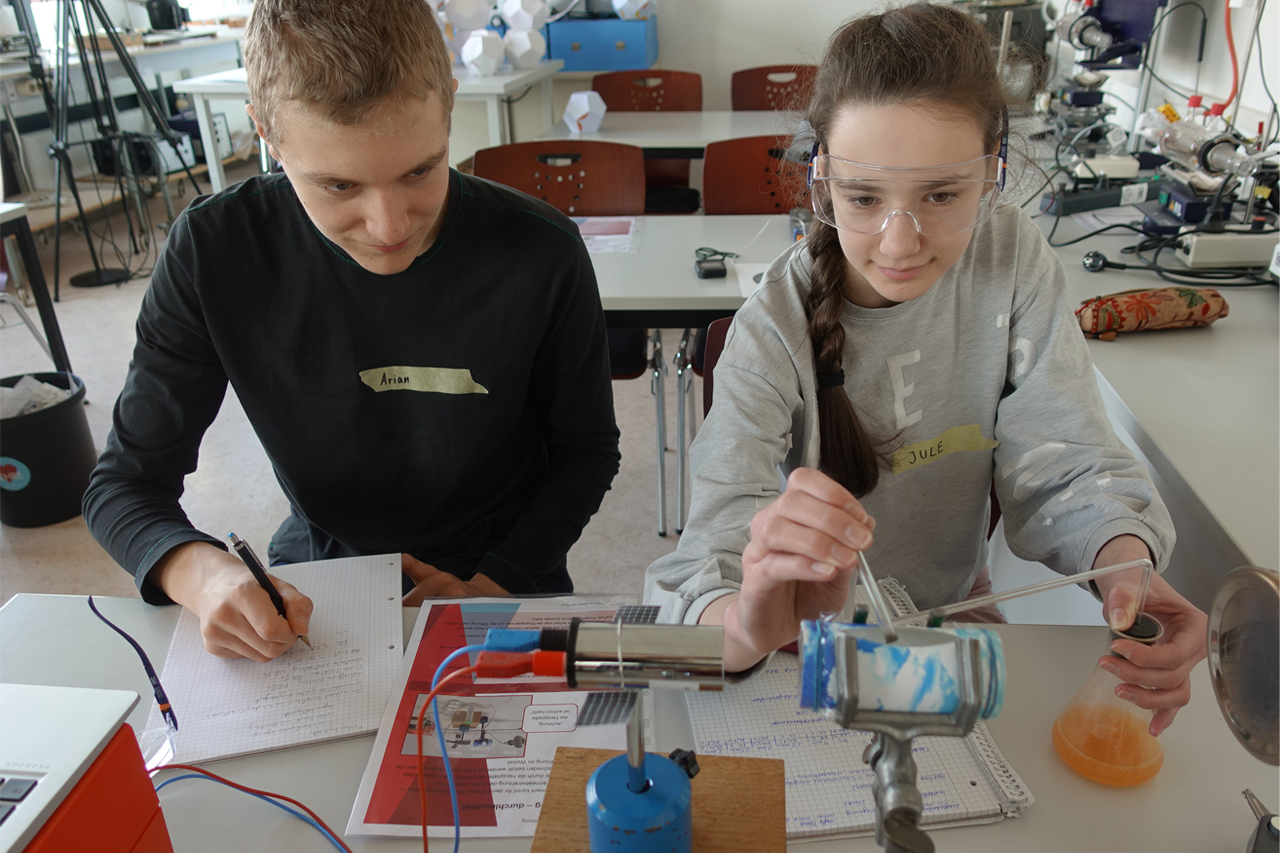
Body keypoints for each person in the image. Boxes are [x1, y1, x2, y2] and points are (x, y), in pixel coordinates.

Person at [644, 3, 1206, 736]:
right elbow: (707, 562)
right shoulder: (774, 328)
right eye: (864, 198)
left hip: (952, 608)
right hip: (808, 636)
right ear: (821, 182)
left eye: (942, 195)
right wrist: (747, 625)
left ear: (993, 174)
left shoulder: (1010, 259)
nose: (900, 242)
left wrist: (1124, 560)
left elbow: (1065, 458)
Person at [84, 0, 620, 663]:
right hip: (320, 586)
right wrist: (204, 572)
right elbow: (124, 484)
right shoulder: (214, 252)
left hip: (507, 575)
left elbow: (586, 451)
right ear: (267, 137)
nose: (390, 226)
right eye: (338, 185)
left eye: (420, 169)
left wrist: (493, 580)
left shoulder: (543, 252)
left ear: (449, 106)